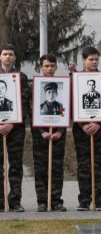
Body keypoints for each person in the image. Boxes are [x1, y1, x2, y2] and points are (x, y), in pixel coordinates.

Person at [73, 46, 101, 210]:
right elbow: (71, 102)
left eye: (96, 59)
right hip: (81, 129)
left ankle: (98, 199)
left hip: (100, 128)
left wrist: (98, 123)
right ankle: (84, 199)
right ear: (84, 60)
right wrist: (83, 124)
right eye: (91, 59)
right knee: (83, 164)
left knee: (98, 164)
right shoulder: (75, 79)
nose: (94, 62)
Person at [33, 55, 66, 211]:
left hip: (58, 136)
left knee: (57, 168)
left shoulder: (61, 99)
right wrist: (42, 132)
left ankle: (56, 200)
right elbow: (29, 110)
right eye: (46, 66)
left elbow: (66, 112)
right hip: (40, 135)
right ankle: (42, 201)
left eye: (52, 66)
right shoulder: (35, 88)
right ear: (41, 67)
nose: (49, 68)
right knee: (41, 168)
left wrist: (60, 131)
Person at [0, 44, 28, 212]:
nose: (8, 57)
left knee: (16, 165)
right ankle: (1, 200)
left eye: (11, 54)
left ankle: (15, 200)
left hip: (15, 128)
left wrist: (11, 123)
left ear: (15, 57)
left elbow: (24, 103)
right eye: (5, 54)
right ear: (0, 56)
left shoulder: (21, 77)